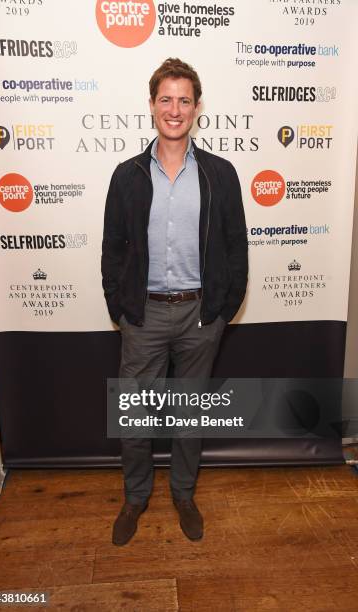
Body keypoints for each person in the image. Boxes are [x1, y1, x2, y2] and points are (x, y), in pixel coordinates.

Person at [102, 58, 248, 546]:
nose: (175, 109)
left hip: (199, 316)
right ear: (151, 106)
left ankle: (184, 494)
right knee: (135, 416)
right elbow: (113, 246)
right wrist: (118, 306)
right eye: (166, 99)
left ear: (197, 108)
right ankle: (135, 497)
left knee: (188, 417)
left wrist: (224, 310)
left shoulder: (220, 174)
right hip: (142, 315)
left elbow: (235, 244)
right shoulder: (126, 175)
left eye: (184, 100)